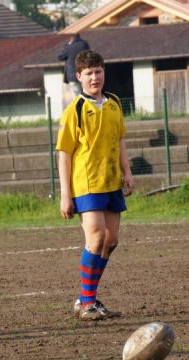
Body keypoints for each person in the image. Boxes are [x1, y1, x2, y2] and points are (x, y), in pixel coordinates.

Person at [56, 50, 134, 321]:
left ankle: (84, 297)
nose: (94, 77)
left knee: (111, 241)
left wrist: (127, 171)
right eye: (88, 73)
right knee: (96, 237)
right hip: (86, 184)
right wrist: (66, 195)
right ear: (79, 76)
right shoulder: (75, 110)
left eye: (98, 71)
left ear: (104, 72)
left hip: (111, 182)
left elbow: (120, 139)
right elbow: (64, 153)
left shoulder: (113, 103)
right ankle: (88, 303)